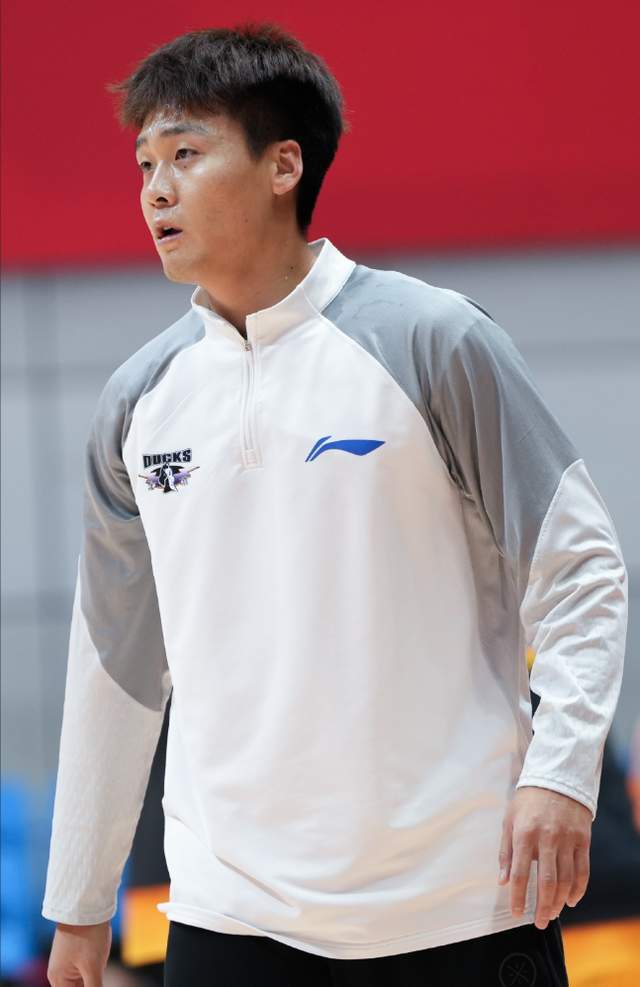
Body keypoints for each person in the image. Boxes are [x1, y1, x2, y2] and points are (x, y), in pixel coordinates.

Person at [42, 22, 628, 987]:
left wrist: (562, 774)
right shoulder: (138, 401)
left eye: (185, 154)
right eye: (144, 162)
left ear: (284, 165)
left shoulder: (435, 340)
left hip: (454, 901)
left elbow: (580, 568)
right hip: (228, 913)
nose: (155, 189)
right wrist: (78, 898)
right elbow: (114, 664)